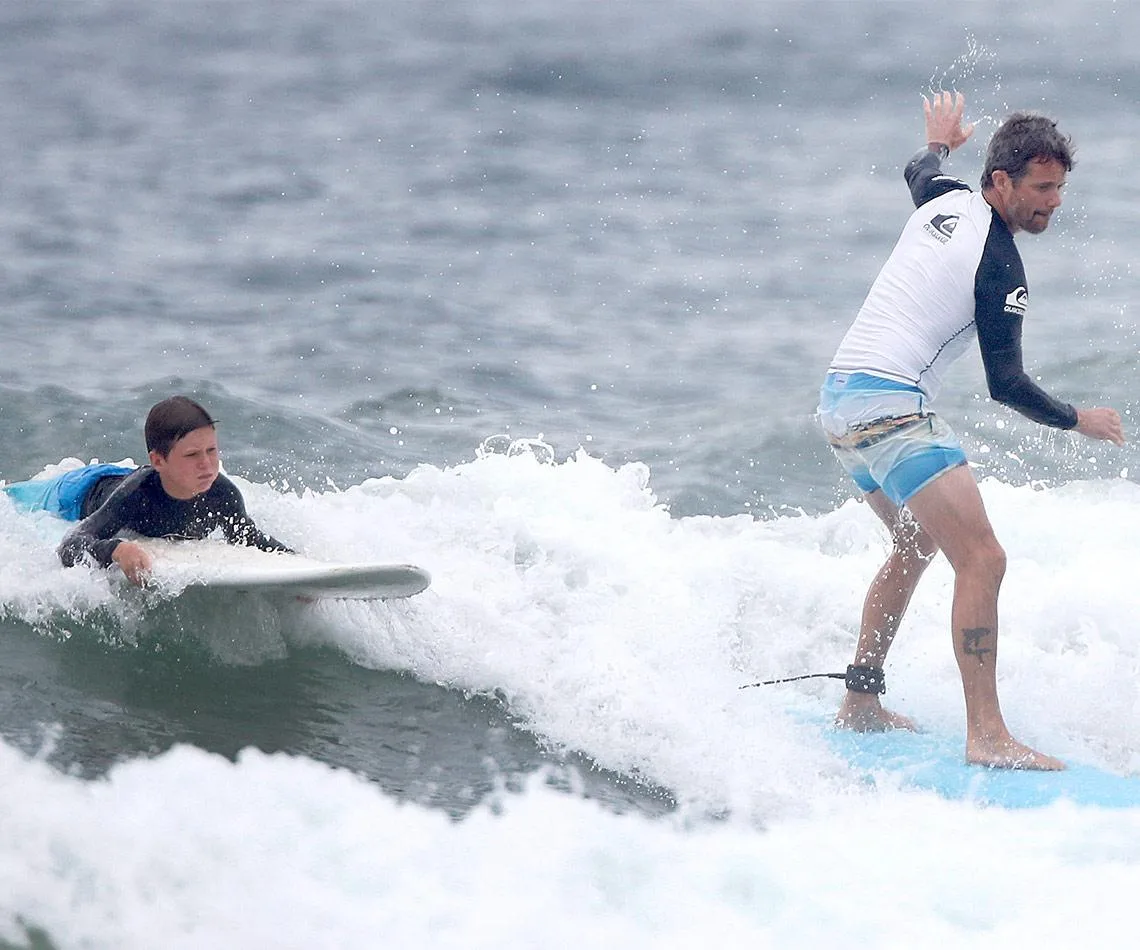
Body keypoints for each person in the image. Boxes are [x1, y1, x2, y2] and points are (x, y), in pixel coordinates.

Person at [818, 92, 1124, 770]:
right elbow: (1006, 384)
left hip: (839, 404)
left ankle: (861, 701)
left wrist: (938, 143)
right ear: (1002, 182)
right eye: (1042, 188)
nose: (1054, 202)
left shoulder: (943, 199)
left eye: (1060, 188)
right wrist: (1081, 419)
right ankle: (986, 735)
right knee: (983, 559)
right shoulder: (999, 263)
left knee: (914, 544)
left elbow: (915, 168)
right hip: (890, 411)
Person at [2, 395, 291, 584]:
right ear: (158, 460)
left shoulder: (222, 494)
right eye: (192, 455)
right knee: (14, 498)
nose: (207, 465)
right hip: (80, 491)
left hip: (129, 477)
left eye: (212, 450)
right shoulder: (135, 498)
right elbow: (70, 545)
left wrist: (293, 563)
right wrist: (115, 549)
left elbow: (248, 538)